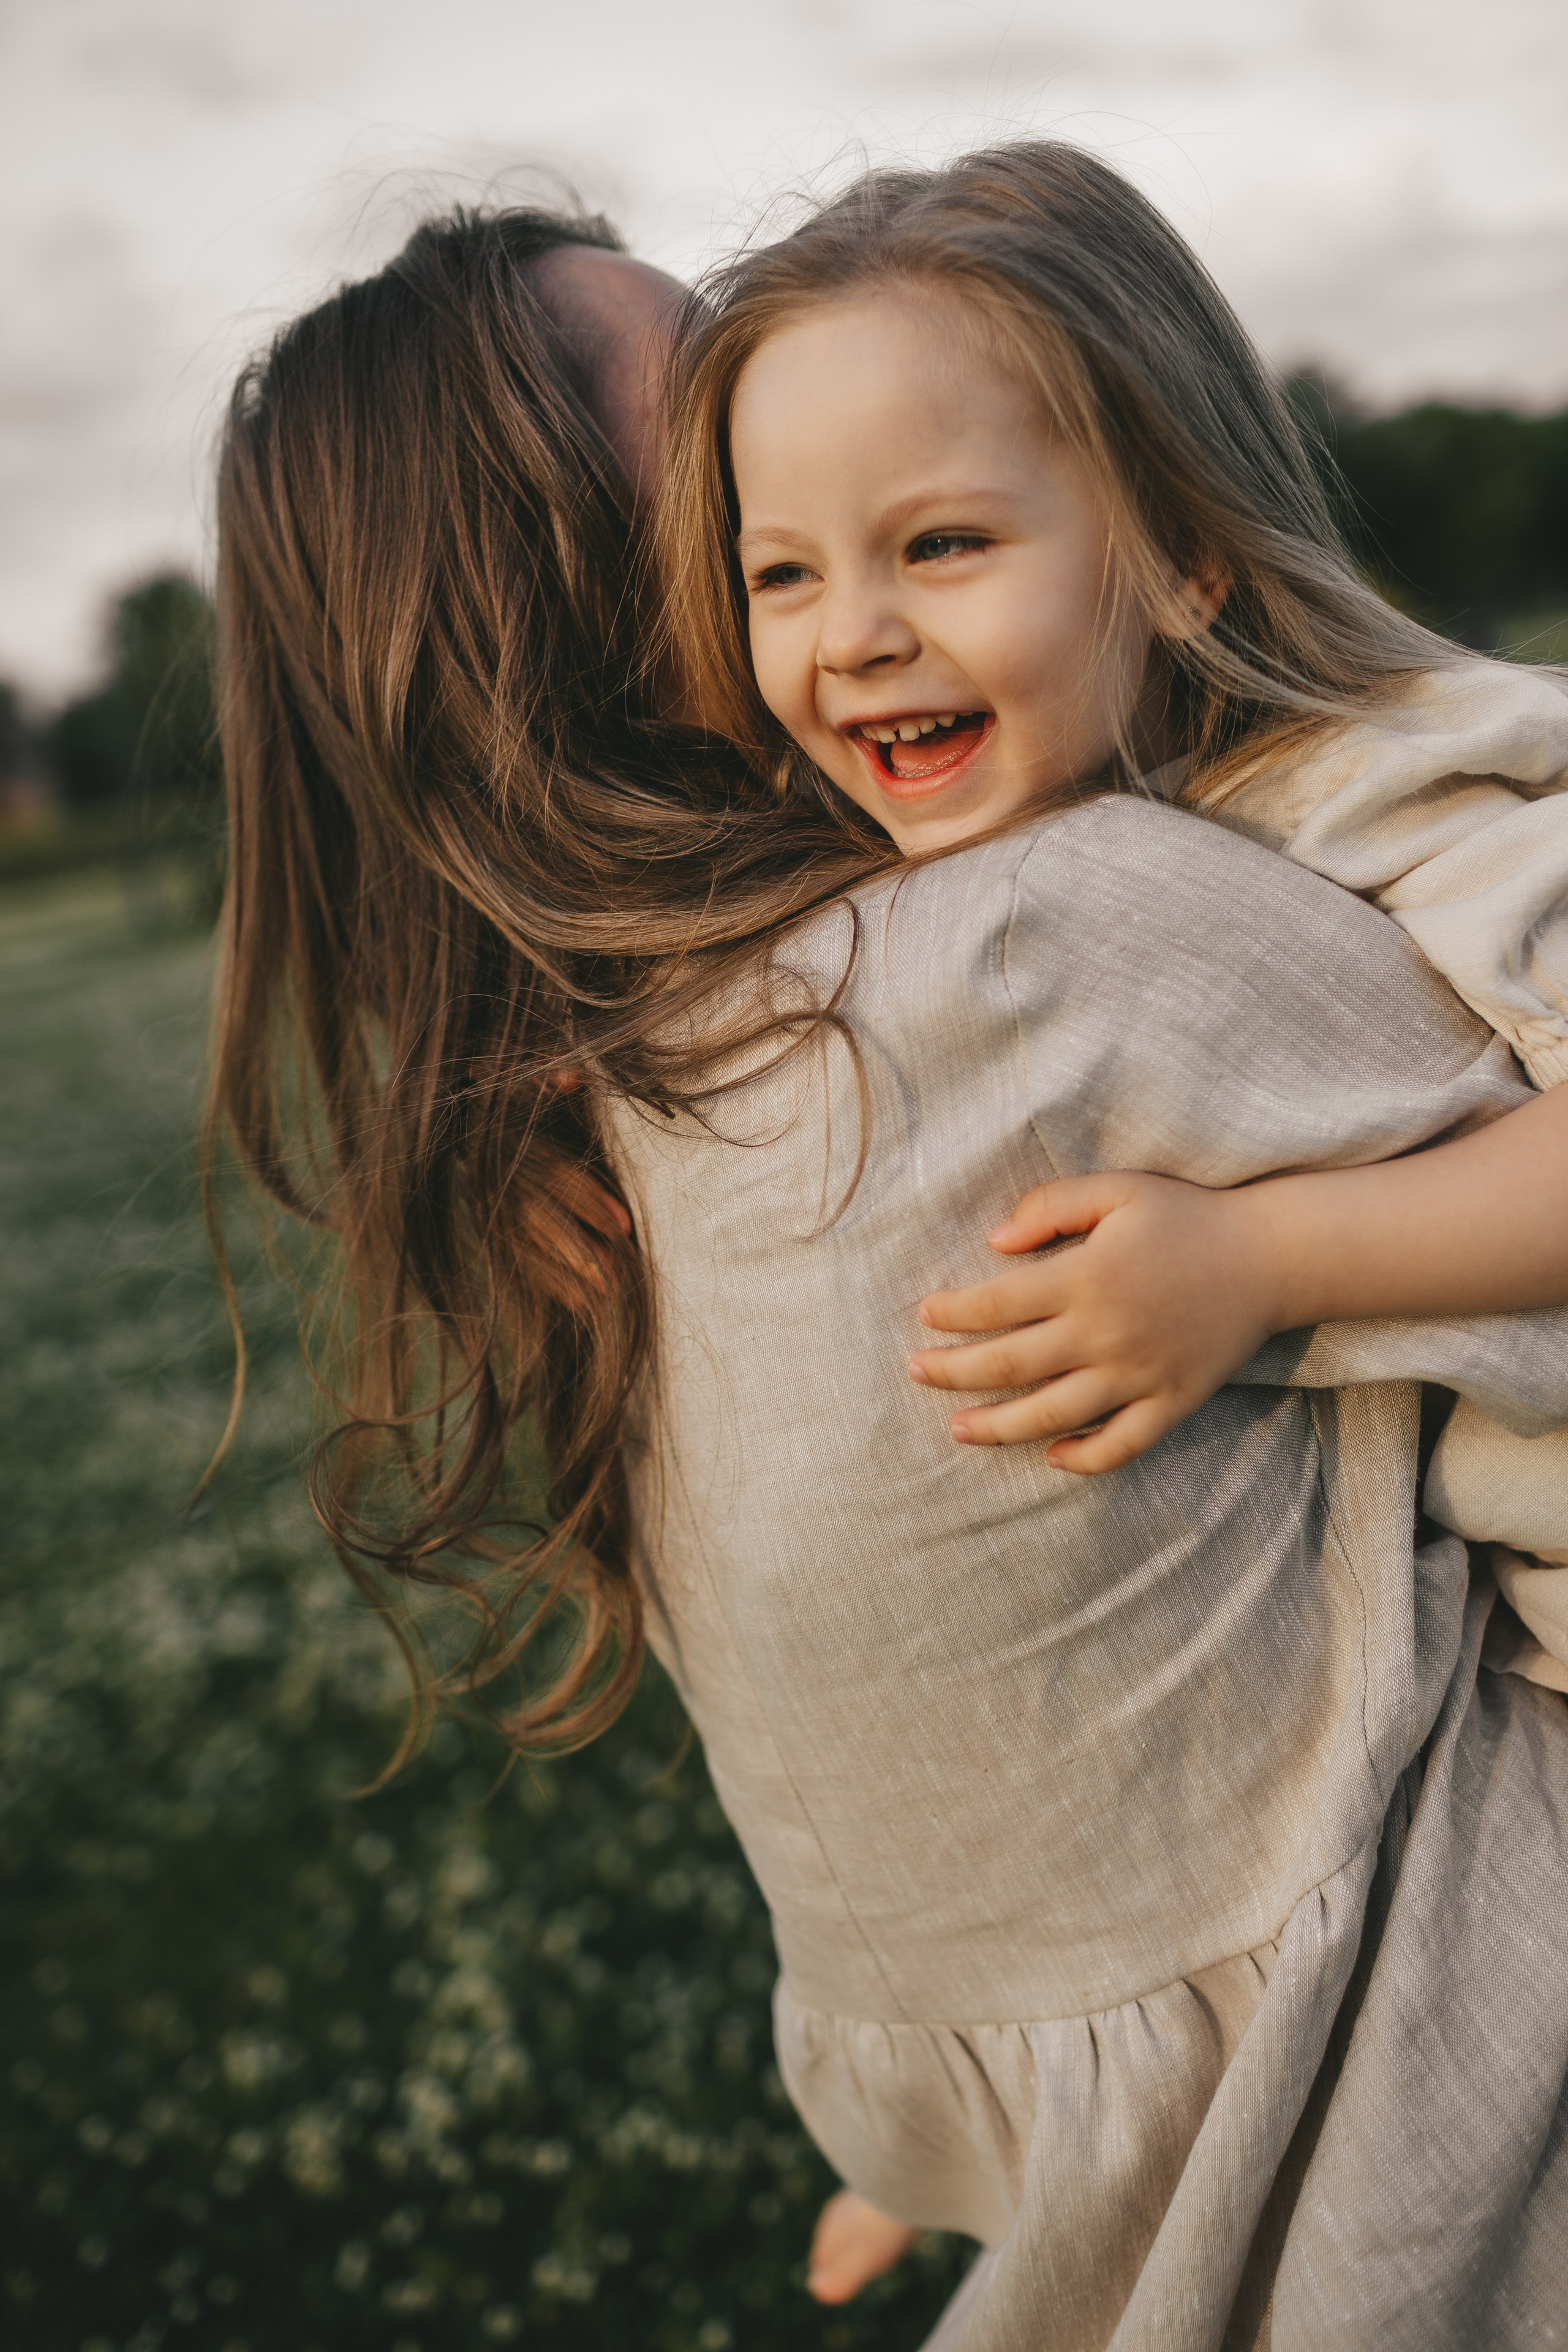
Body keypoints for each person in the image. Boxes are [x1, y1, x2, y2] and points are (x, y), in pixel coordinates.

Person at [210, 173, 1568, 2345]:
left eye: (934, 526)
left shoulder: (614, 1119)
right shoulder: (1039, 939)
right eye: (738, 471)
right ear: (590, 574)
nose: (783, 400)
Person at [641, 143, 1568, 2334]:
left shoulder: (1385, 780)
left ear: (1176, 552)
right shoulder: (1046, 818)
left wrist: (1267, 1260)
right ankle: (1023, 2146)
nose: (854, 633)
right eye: (784, 575)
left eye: (940, 546)